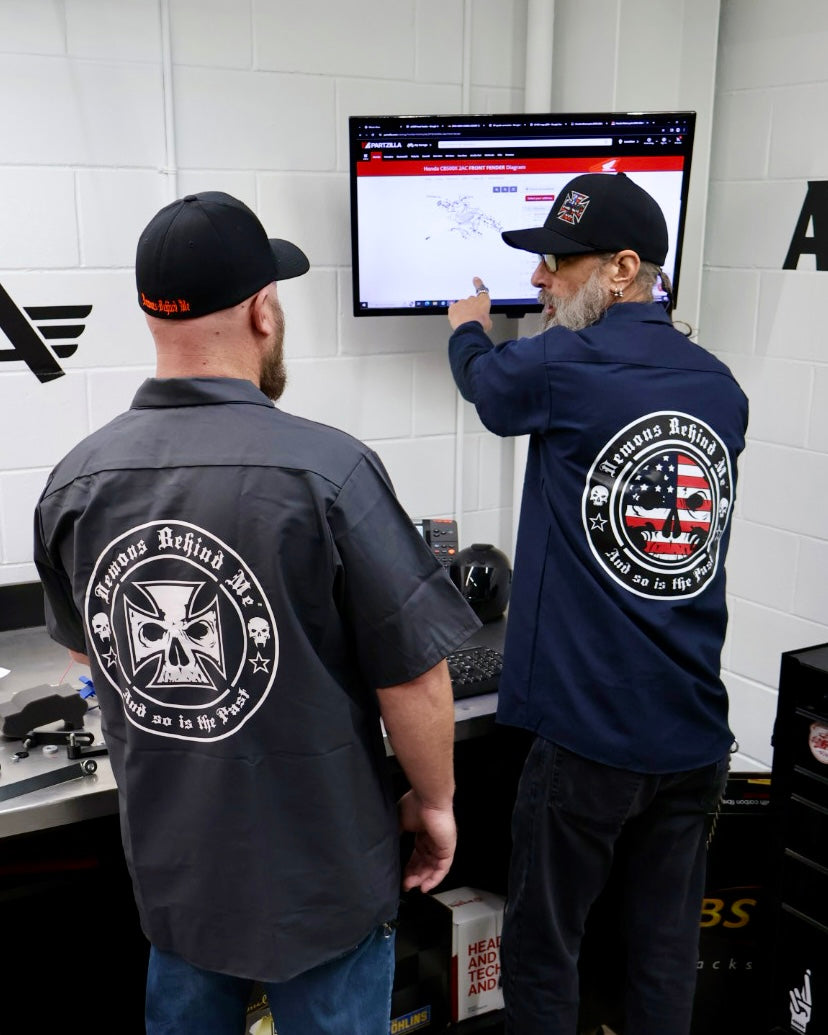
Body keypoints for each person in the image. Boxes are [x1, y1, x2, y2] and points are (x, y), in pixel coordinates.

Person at [33, 191, 481, 1035]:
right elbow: (416, 676)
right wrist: (436, 804)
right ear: (262, 311)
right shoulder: (330, 472)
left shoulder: (74, 484)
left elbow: (100, 662)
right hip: (324, 884)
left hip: (180, 880)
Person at [445, 172, 749, 1035]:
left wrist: (468, 331)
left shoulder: (567, 363)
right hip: (693, 736)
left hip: (587, 740)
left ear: (622, 268)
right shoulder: (720, 386)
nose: (539, 280)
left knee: (546, 955)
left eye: (556, 262)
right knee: (660, 959)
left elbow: (490, 387)